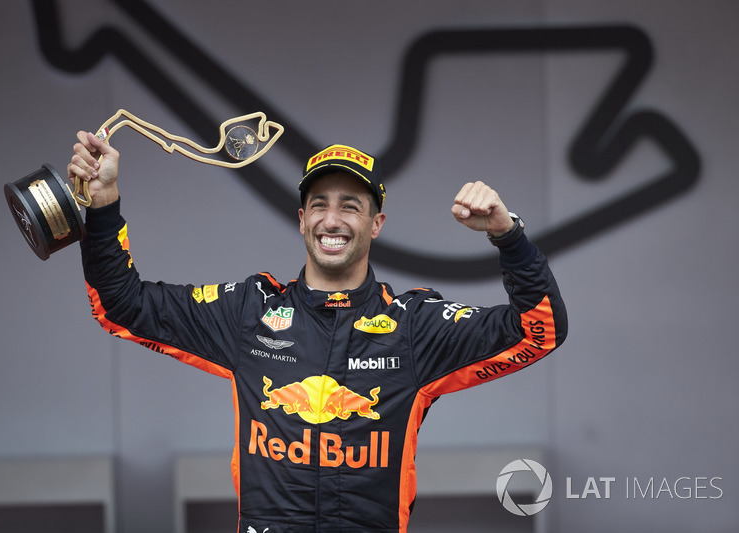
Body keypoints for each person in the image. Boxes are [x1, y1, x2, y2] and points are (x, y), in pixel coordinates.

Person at [69, 133, 568, 532]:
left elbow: (539, 331)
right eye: (320, 204)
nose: (334, 219)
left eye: (351, 205)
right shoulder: (249, 313)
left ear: (376, 224)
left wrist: (508, 235)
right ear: (302, 219)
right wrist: (104, 203)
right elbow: (121, 306)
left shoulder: (414, 326)